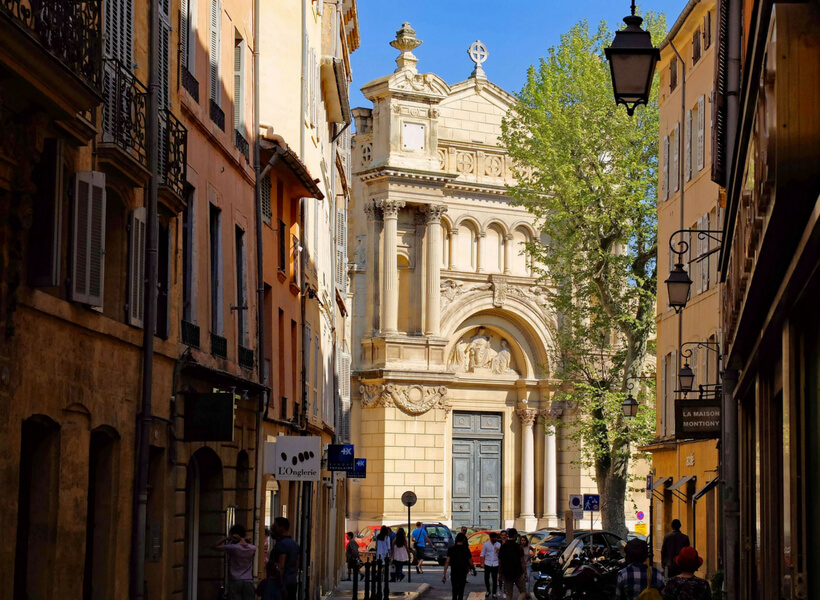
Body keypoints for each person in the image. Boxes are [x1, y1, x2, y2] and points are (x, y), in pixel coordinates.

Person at [212, 524, 257, 600]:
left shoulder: (233, 548)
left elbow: (215, 546)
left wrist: (227, 538)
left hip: (235, 580)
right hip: (248, 580)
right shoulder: (252, 548)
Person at [270, 516, 300, 600]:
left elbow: (281, 566)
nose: (273, 528)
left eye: (275, 526)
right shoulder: (295, 544)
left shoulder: (281, 545)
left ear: (281, 527)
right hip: (292, 581)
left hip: (282, 583)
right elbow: (297, 564)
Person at [498, 529, 529, 600]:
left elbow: (500, 561)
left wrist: (500, 573)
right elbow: (522, 561)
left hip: (507, 572)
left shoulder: (503, 546)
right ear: (515, 535)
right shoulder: (518, 547)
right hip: (518, 572)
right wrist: (525, 573)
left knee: (509, 593)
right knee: (523, 591)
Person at [442, 532, 474, 600]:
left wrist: (444, 574)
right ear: (463, 540)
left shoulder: (451, 549)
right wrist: (473, 569)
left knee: (454, 589)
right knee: (461, 590)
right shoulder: (466, 549)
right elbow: (470, 562)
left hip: (454, 572)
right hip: (463, 572)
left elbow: (447, 561)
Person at [480, 531, 501, 599]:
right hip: (487, 563)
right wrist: (482, 563)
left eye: (496, 537)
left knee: (495, 579)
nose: (496, 539)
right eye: (495, 537)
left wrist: (499, 550)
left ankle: (494, 593)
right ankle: (488, 590)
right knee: (486, 578)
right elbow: (482, 554)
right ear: (491, 538)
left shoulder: (498, 544)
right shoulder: (486, 544)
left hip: (495, 563)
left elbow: (501, 554)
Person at [498, 531, 508, 597]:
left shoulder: (508, 543)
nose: (504, 536)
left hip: (507, 562)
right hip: (499, 562)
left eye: (505, 535)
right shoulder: (498, 543)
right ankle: (500, 589)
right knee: (500, 577)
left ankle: (505, 590)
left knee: (506, 578)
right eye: (502, 535)